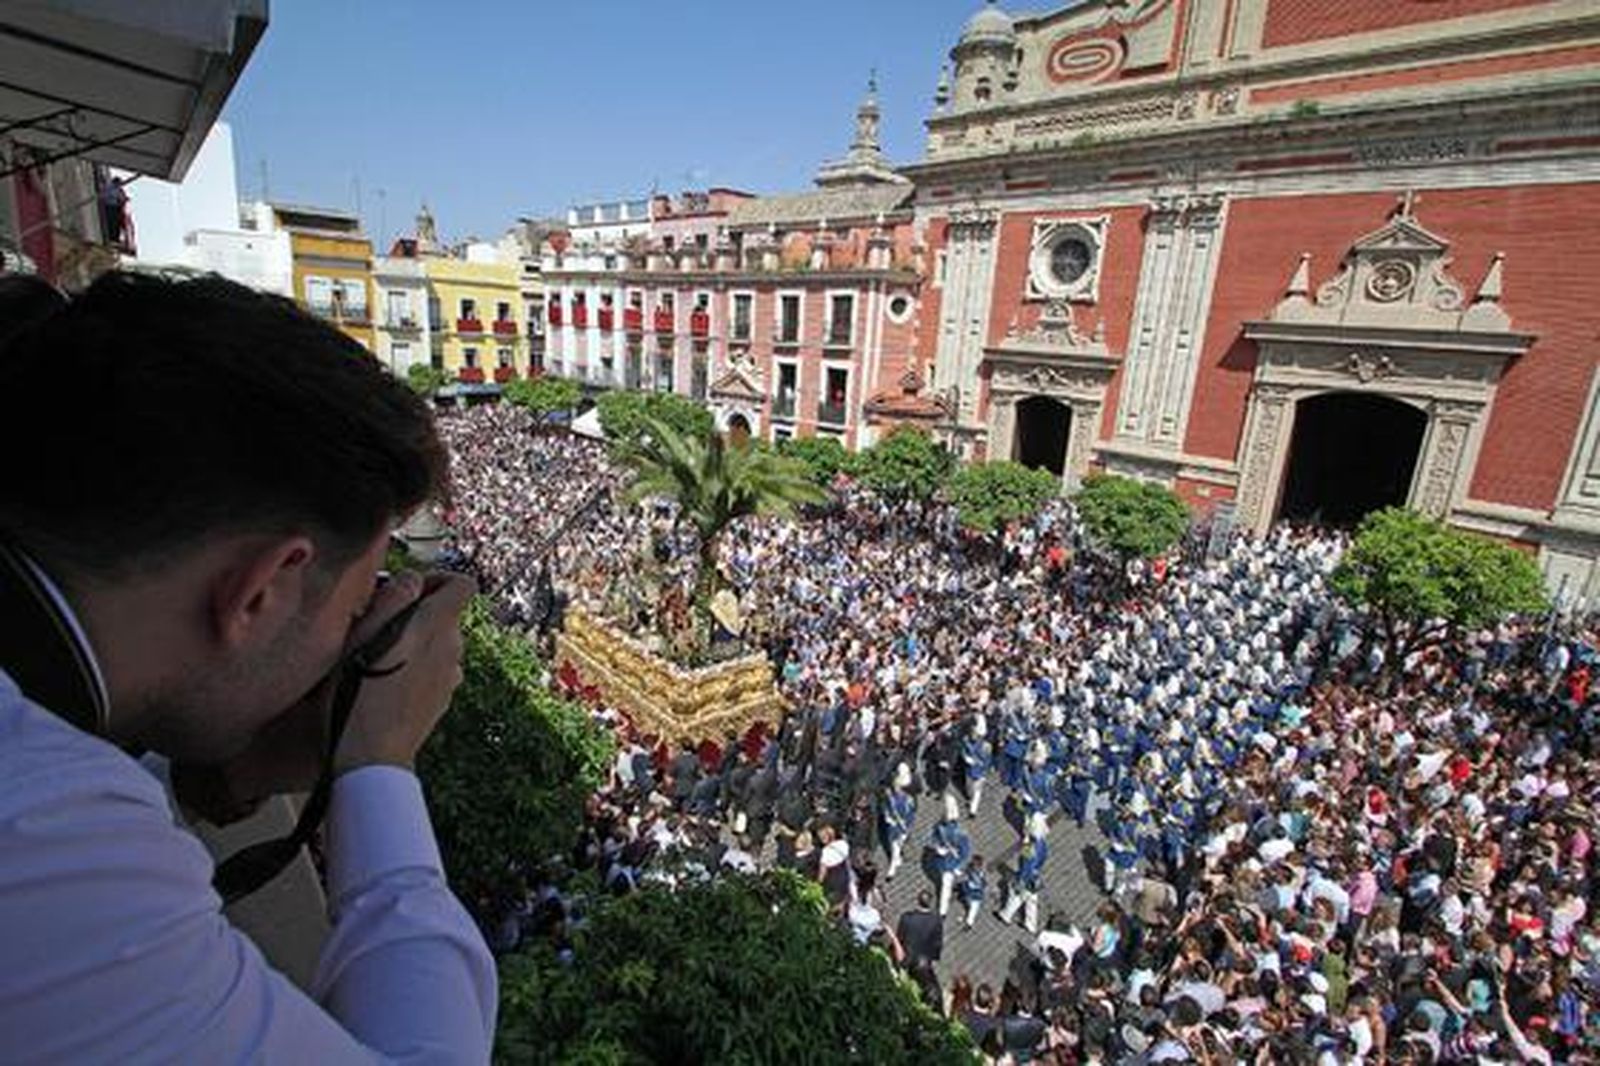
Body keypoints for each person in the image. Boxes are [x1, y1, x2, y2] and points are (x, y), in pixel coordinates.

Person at [0, 273, 495, 1060]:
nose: (348, 636)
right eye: (353, 605)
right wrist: (377, 761)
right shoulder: (50, 842)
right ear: (261, 590)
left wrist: (220, 778)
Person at [929, 792, 972, 917]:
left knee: (946, 887)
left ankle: (943, 911)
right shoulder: (939, 826)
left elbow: (965, 852)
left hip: (952, 862)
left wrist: (957, 866)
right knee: (944, 883)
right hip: (942, 860)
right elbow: (934, 838)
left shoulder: (961, 833)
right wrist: (938, 848)